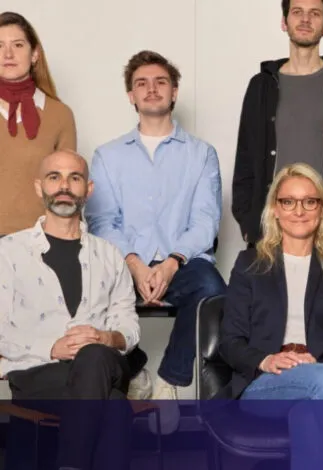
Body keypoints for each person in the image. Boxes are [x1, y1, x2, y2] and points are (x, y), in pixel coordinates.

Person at [85, 50, 226, 431]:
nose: (151, 89)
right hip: (121, 265)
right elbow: (101, 220)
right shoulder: (108, 156)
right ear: (130, 96)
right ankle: (135, 369)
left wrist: (170, 262)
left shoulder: (201, 154)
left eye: (160, 82)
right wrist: (134, 265)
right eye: (141, 83)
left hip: (180, 266)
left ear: (174, 92)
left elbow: (205, 220)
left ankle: (169, 379)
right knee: (80, 290)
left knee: (213, 288)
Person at [220, 163, 323, 470]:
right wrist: (265, 360)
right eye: (288, 201)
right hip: (265, 383)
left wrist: (321, 365)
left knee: (309, 415)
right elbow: (230, 342)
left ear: (321, 209)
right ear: (275, 209)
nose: (299, 210)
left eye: (309, 201)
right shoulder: (249, 264)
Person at [0, 150, 138, 470]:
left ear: (87, 189)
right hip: (38, 375)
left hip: (102, 365)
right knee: (115, 405)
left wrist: (106, 337)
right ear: (40, 187)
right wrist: (52, 347)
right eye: (54, 177)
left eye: (74, 178)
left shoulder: (109, 255)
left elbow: (129, 326)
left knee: (94, 356)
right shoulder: (9, 253)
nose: (64, 185)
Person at [232, 0, 323, 245]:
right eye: (297, 12)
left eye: (314, 13)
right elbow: (245, 159)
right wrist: (248, 223)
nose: (305, 19)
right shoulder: (261, 87)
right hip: (271, 229)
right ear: (284, 22)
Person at [0, 11, 77, 236]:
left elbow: (68, 187)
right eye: (0, 45)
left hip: (40, 241)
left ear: (34, 54)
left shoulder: (59, 114)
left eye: (18, 45)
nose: (8, 54)